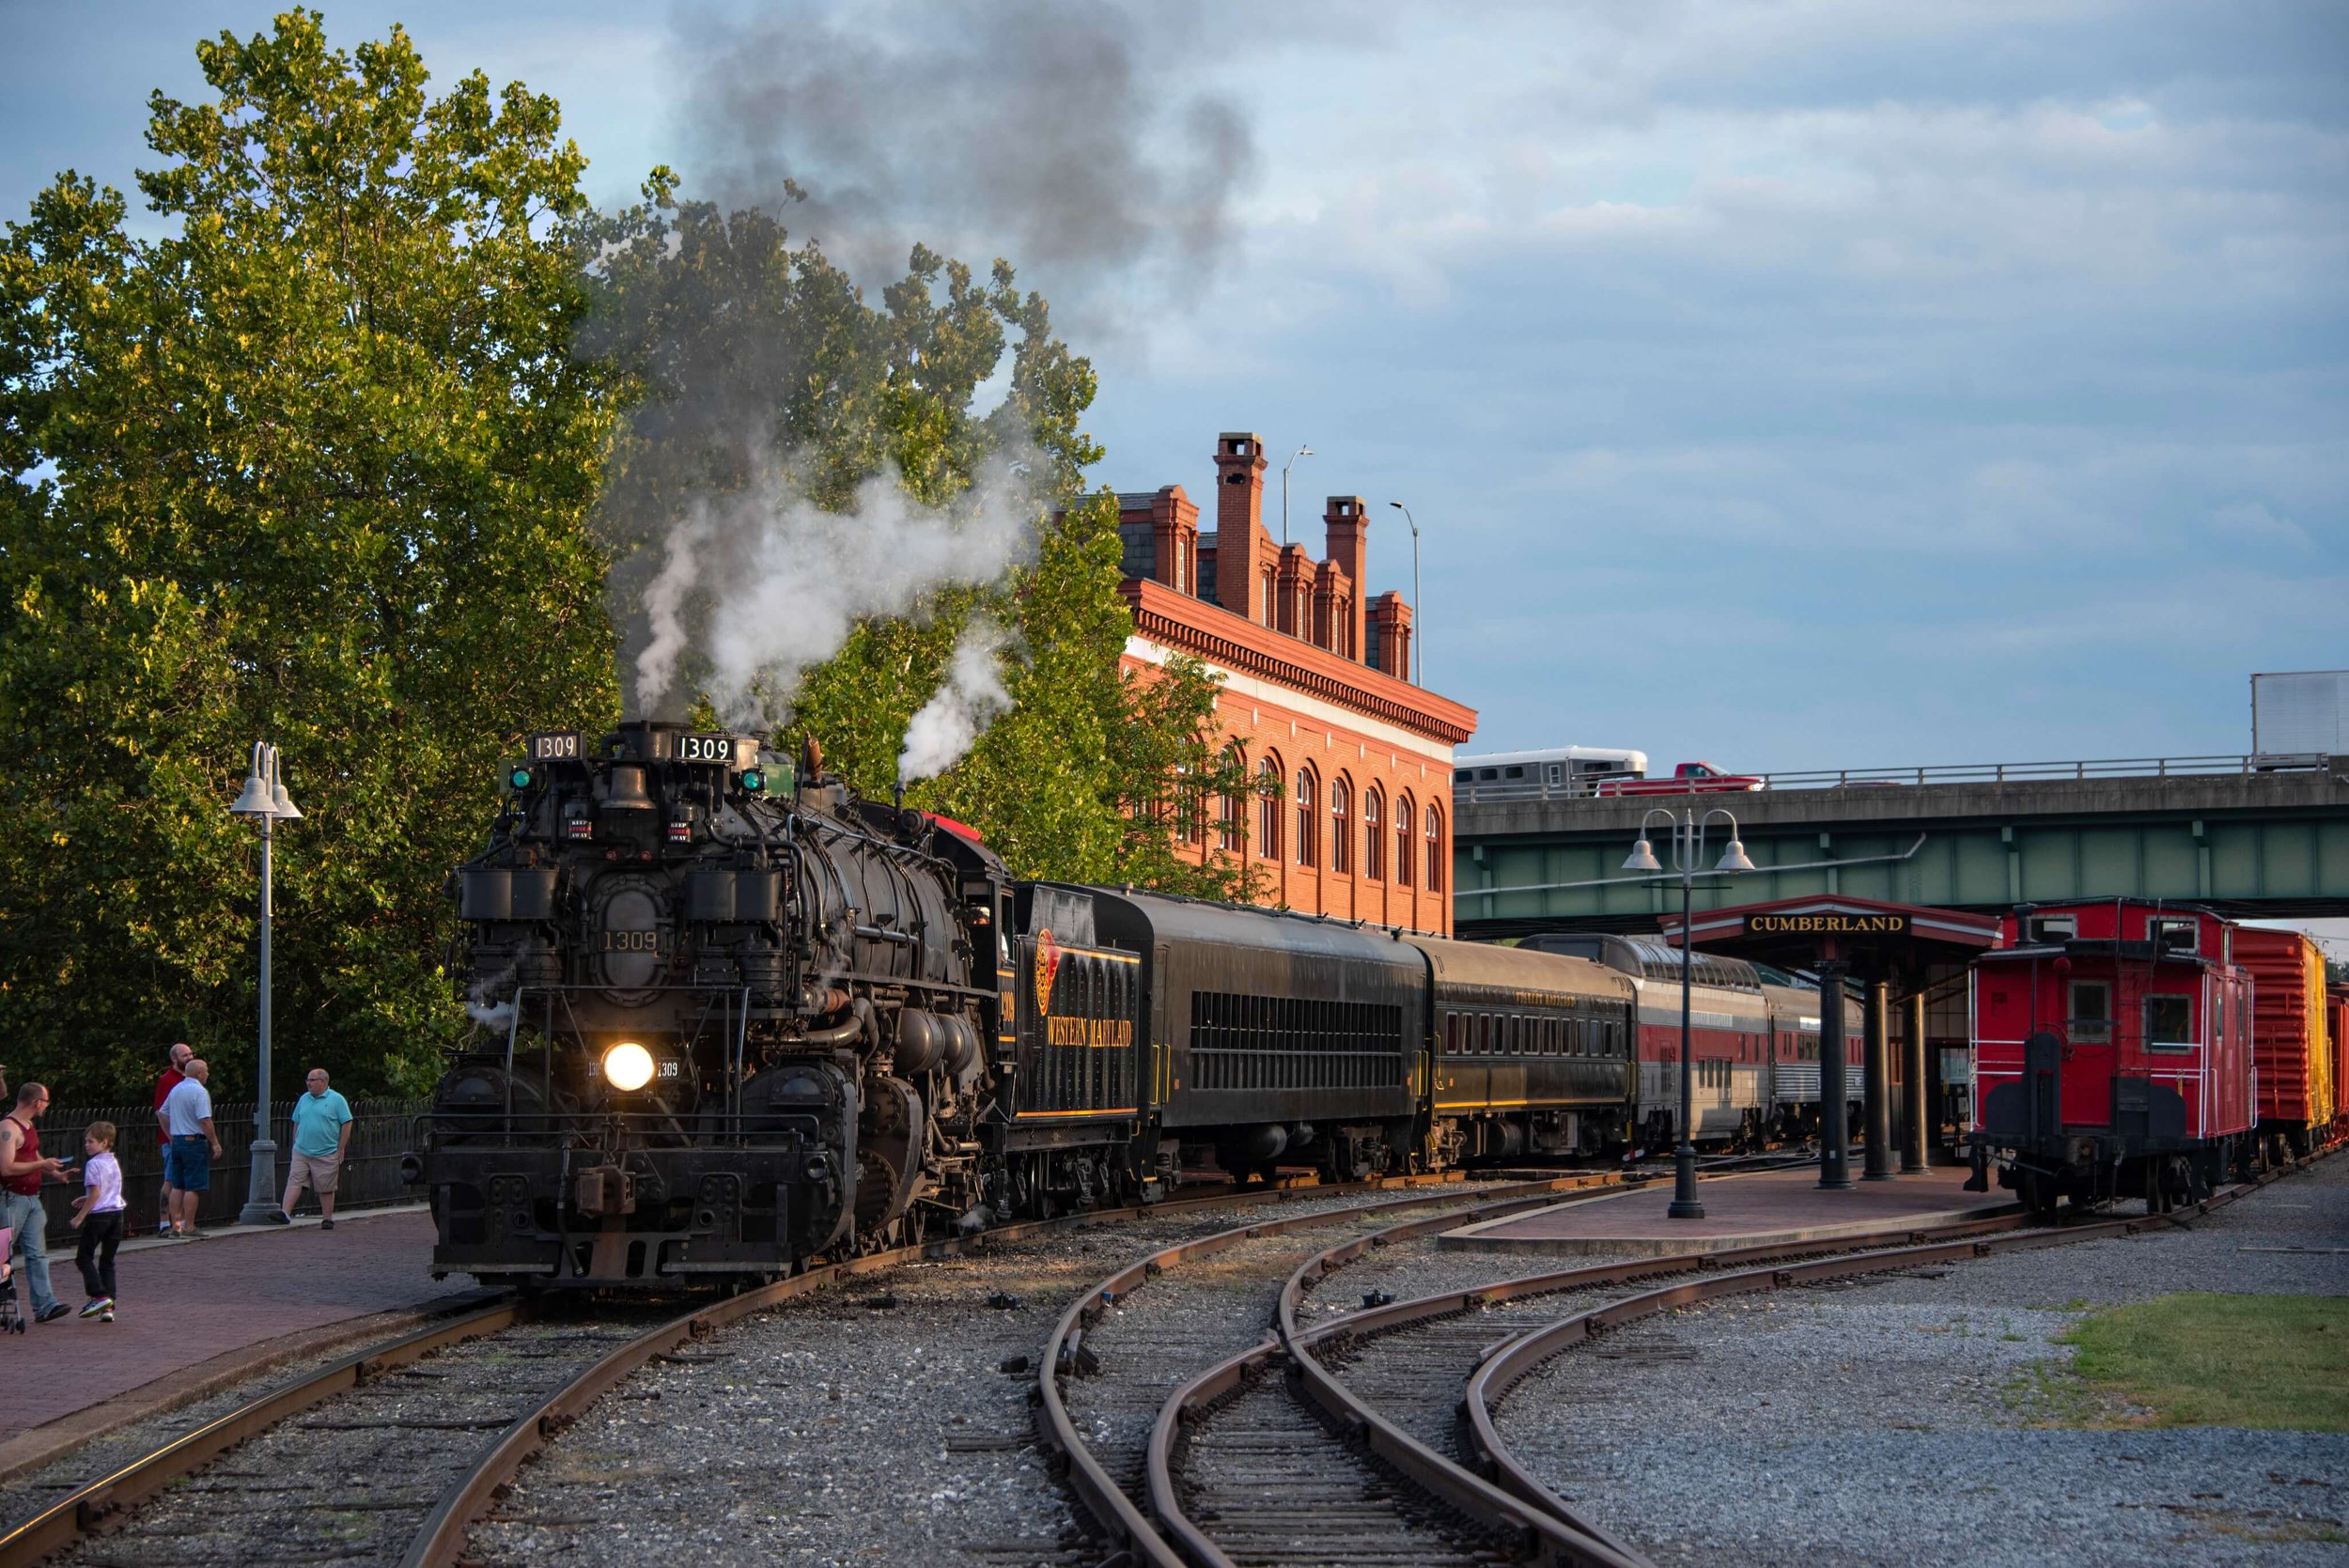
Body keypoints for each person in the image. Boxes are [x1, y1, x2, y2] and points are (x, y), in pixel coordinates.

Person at [0, 1083, 72, 1322]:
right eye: (46, 1101)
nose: (46, 1106)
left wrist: (54, 1173)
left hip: (31, 1198)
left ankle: (45, 1304)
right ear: (36, 1102)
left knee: (37, 1254)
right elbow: (7, 1167)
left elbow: (32, 1154)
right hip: (11, 1198)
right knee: (2, 1255)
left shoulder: (28, 1126)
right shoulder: (8, 1128)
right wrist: (42, 1165)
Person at [276, 1068, 353, 1230]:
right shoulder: (304, 1099)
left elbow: (347, 1123)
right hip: (302, 1150)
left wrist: (340, 1148)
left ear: (323, 1082)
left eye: (312, 1080)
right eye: (307, 1080)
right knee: (295, 1179)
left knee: (325, 1186)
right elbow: (297, 1121)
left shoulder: (337, 1100)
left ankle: (327, 1218)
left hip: (326, 1151)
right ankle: (285, 1213)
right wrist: (295, 1142)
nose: (308, 1083)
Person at [159, 1060, 221, 1240]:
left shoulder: (176, 1089)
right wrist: (215, 1142)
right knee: (193, 1186)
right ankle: (189, 1225)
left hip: (177, 1141)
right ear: (199, 1073)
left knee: (177, 1185)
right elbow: (204, 1120)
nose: (208, 1074)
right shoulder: (199, 1092)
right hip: (193, 1142)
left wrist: (171, 1134)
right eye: (206, 1071)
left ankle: (175, 1226)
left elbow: (162, 1112)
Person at [69, 1120, 124, 1320]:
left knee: (83, 1257)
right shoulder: (113, 1161)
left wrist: (79, 1217)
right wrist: (85, 1198)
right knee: (107, 1261)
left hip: (99, 1217)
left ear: (104, 1142)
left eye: (90, 1141)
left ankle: (98, 1295)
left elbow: (95, 1193)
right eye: (86, 1141)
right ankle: (108, 1306)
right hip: (117, 1214)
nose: (86, 1145)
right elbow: (110, 1189)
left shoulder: (93, 1164)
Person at [152, 1043, 192, 1237]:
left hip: (185, 1137)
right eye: (185, 1055)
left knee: (182, 1180)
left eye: (191, 1054)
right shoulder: (168, 1081)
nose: (189, 1057)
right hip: (173, 1140)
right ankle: (164, 1223)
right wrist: (171, 1137)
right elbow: (160, 1112)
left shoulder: (188, 1080)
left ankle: (180, 1222)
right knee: (170, 1179)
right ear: (174, 1059)